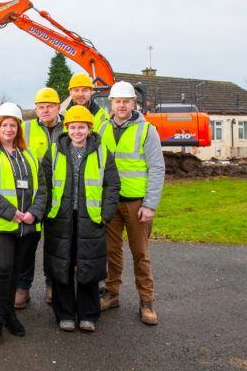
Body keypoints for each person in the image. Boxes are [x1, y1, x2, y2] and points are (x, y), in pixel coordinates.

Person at [0, 102, 47, 348]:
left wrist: (34, 214)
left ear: (19, 129)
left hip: (26, 225)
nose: (9, 129)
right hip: (0, 224)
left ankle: (9, 315)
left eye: (13, 125)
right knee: (3, 269)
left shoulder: (29, 155)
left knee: (16, 270)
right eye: (4, 124)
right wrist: (12, 213)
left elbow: (42, 189)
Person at [42, 105, 120, 332]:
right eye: (73, 127)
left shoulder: (102, 152)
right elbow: (44, 183)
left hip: (91, 218)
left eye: (82, 127)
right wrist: (47, 211)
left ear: (89, 128)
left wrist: (106, 213)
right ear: (67, 128)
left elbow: (112, 185)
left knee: (89, 265)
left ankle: (88, 314)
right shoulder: (54, 151)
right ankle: (64, 314)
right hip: (60, 217)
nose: (77, 131)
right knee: (61, 265)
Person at [99, 81, 165, 325]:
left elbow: (157, 168)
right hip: (110, 203)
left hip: (137, 204)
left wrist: (150, 205)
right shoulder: (102, 127)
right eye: (118, 101)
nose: (122, 105)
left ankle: (146, 302)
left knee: (141, 254)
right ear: (112, 103)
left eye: (126, 101)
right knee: (111, 252)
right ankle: (112, 293)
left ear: (133, 104)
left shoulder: (147, 130)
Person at [20, 87, 65, 308]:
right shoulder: (24, 128)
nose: (45, 110)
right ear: (36, 109)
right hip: (33, 196)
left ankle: (53, 284)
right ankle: (22, 286)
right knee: (27, 243)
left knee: (56, 244)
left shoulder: (70, 127)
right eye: (41, 107)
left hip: (61, 196)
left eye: (49, 106)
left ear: (59, 107)